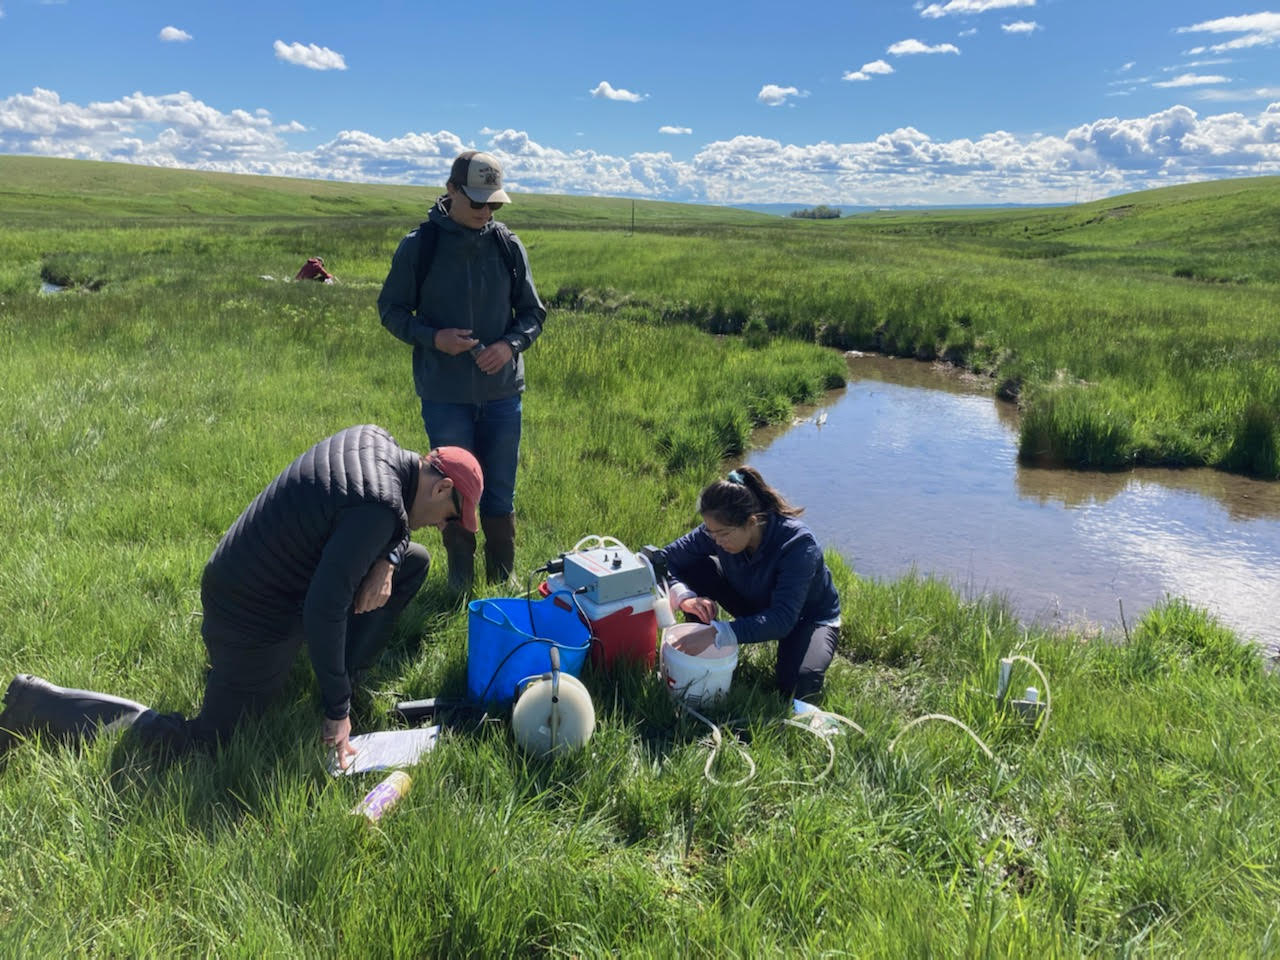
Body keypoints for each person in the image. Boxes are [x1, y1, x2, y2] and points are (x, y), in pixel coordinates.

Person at [0, 424, 482, 770]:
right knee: (209, 743)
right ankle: (34, 704)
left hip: (259, 577)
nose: (443, 528)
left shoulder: (379, 445)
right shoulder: (379, 507)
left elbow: (393, 521)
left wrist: (390, 560)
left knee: (414, 559)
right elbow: (324, 606)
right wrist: (338, 712)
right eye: (448, 517)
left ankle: (341, 674)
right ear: (441, 486)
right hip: (250, 612)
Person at [377, 150, 546, 593]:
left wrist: (509, 346)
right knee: (454, 488)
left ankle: (502, 578)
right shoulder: (421, 245)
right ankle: (459, 581)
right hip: (444, 394)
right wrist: (435, 339)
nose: (486, 211)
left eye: (494, 203)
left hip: (503, 394)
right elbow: (391, 310)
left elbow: (533, 314)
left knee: (499, 490)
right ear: (451, 191)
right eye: (477, 202)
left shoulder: (507, 245)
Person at [656, 467, 842, 702]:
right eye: (712, 533)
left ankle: (708, 638)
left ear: (751, 522)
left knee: (798, 685)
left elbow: (782, 619)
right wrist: (685, 597)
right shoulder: (717, 529)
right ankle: (700, 642)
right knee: (695, 567)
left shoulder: (798, 545)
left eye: (723, 534)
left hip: (805, 618)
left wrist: (719, 633)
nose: (717, 541)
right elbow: (664, 560)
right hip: (754, 599)